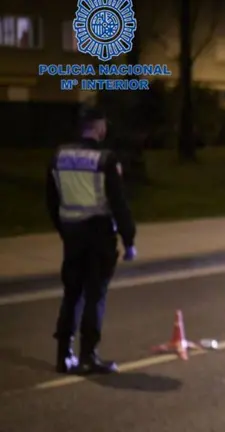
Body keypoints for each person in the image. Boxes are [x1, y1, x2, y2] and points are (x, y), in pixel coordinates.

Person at [46, 107, 137, 374]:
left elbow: (52, 200)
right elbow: (118, 203)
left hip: (72, 234)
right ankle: (88, 356)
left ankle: (63, 356)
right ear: (98, 127)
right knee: (95, 295)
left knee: (72, 294)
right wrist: (129, 239)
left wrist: (64, 229)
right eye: (103, 125)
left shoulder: (58, 156)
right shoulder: (105, 159)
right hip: (98, 235)